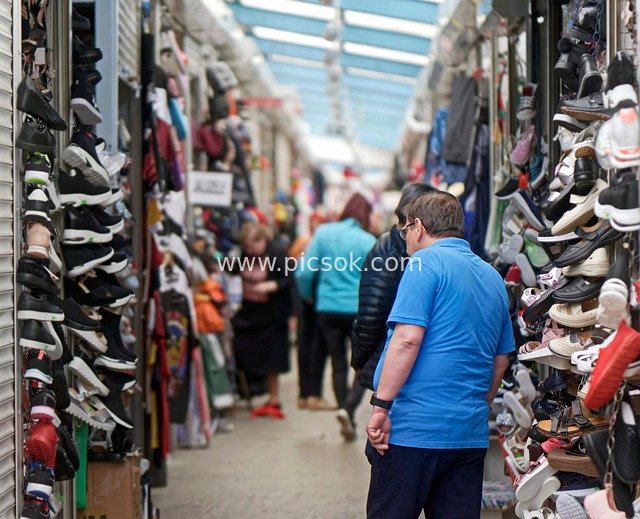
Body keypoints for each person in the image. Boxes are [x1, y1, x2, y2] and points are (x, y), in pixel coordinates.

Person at [365, 191, 514, 518]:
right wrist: (476, 406)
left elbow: (407, 339)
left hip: (413, 431)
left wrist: (380, 406)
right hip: (468, 434)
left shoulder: (424, 263)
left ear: (418, 227)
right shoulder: (491, 276)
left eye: (405, 230)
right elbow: (501, 358)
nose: (405, 239)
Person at [296, 193, 376, 440]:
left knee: (337, 363)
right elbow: (374, 281)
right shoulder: (368, 241)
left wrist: (308, 296)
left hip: (327, 308)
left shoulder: (323, 233)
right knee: (362, 364)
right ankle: (349, 407)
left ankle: (345, 412)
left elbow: (304, 273)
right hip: (356, 310)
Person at [351, 183, 436, 392]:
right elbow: (372, 313)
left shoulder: (419, 252)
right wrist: (361, 360)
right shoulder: (391, 250)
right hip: (392, 355)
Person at [232, 222, 293, 419]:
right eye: (246, 247)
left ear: (263, 240)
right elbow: (234, 268)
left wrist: (271, 285)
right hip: (250, 312)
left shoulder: (276, 253)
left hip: (272, 314)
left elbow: (289, 279)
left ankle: (274, 398)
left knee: (272, 357)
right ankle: (254, 390)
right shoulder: (245, 254)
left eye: (252, 246)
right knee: (244, 348)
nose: (249, 251)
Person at [289, 213, 333, 411]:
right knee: (316, 345)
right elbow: (303, 272)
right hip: (314, 299)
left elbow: (295, 271)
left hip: (305, 299)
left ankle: (304, 394)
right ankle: (312, 394)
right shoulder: (314, 244)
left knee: (305, 344)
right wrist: (309, 295)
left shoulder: (302, 243)